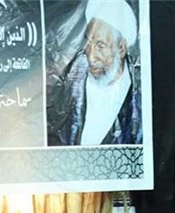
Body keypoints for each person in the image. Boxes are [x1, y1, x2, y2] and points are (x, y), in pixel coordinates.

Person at [47, 0, 142, 146]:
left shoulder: (139, 95)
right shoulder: (71, 76)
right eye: (89, 43)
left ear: (121, 48)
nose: (90, 56)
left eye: (100, 46)